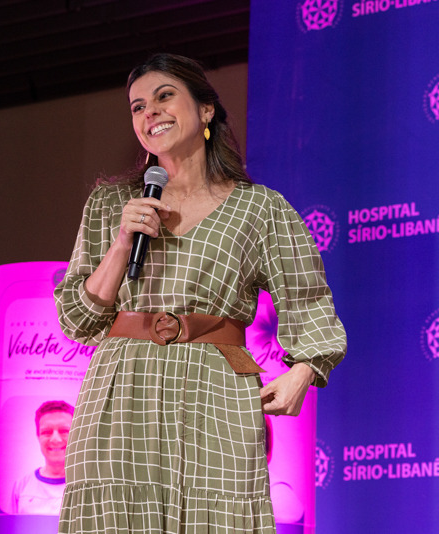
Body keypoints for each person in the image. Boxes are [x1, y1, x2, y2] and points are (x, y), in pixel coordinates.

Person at [54, 53, 346, 533]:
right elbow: (76, 319)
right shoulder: (111, 204)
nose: (150, 112)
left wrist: (305, 370)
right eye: (137, 106)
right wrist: (122, 243)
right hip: (122, 389)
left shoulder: (260, 209)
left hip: (217, 390)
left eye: (164, 96)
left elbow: (308, 299)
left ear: (206, 109)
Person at [8, 400, 74, 515]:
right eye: (46, 432)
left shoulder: (92, 488)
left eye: (64, 431)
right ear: (38, 436)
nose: (55, 439)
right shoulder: (22, 486)